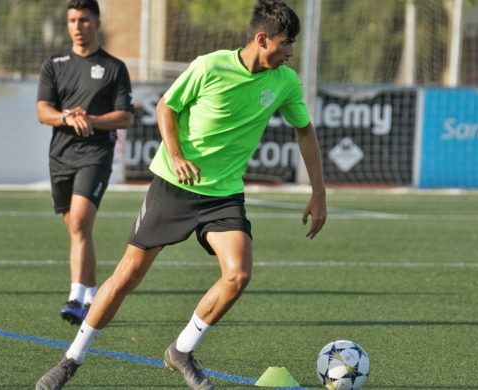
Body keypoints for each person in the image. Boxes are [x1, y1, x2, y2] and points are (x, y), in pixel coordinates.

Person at [36, 0, 326, 389]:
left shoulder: (285, 83)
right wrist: (175, 155)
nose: (291, 53)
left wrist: (319, 193)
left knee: (238, 274)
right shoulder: (210, 66)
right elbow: (166, 108)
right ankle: (72, 359)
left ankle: (182, 350)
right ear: (262, 39)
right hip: (174, 186)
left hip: (223, 195)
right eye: (286, 44)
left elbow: (304, 131)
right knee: (128, 275)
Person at [36, 0, 134, 326]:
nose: (78, 27)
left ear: (97, 22)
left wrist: (90, 118)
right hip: (61, 157)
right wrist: (66, 116)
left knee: (79, 223)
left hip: (95, 155)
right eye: (72, 21)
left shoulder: (114, 68)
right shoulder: (54, 64)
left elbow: (124, 117)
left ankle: (76, 297)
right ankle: (93, 293)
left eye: (84, 20)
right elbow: (42, 111)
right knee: (79, 231)